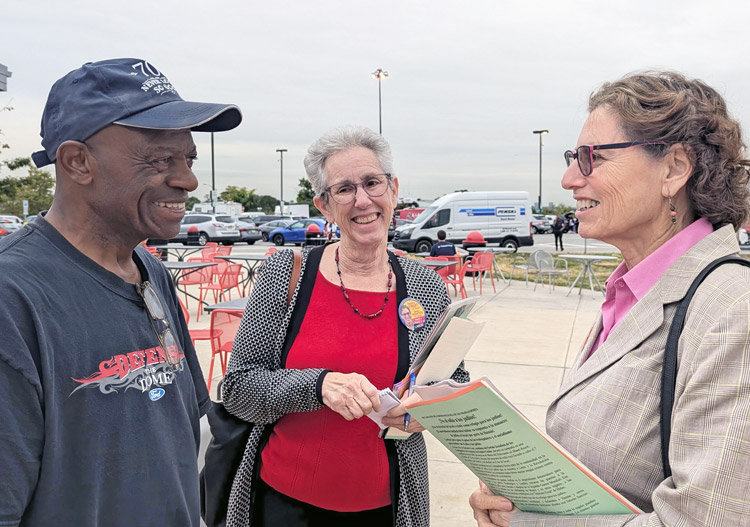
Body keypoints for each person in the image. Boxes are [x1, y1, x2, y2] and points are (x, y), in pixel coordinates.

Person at [470, 70, 750, 526]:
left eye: (590, 158)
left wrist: (527, 520)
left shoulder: (731, 310)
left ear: (675, 168)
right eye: (572, 157)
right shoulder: (632, 289)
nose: (567, 179)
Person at [0, 58, 242, 527]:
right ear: (77, 162)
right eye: (159, 159)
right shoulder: (14, 297)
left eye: (187, 159)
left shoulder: (149, 269)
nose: (188, 180)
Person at [222, 125, 469, 527]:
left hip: (386, 506)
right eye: (344, 189)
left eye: (373, 183)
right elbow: (238, 390)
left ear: (393, 189)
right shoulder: (286, 274)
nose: (362, 200)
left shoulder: (426, 286)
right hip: (283, 503)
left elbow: (454, 379)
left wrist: (431, 410)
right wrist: (318, 385)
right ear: (323, 204)